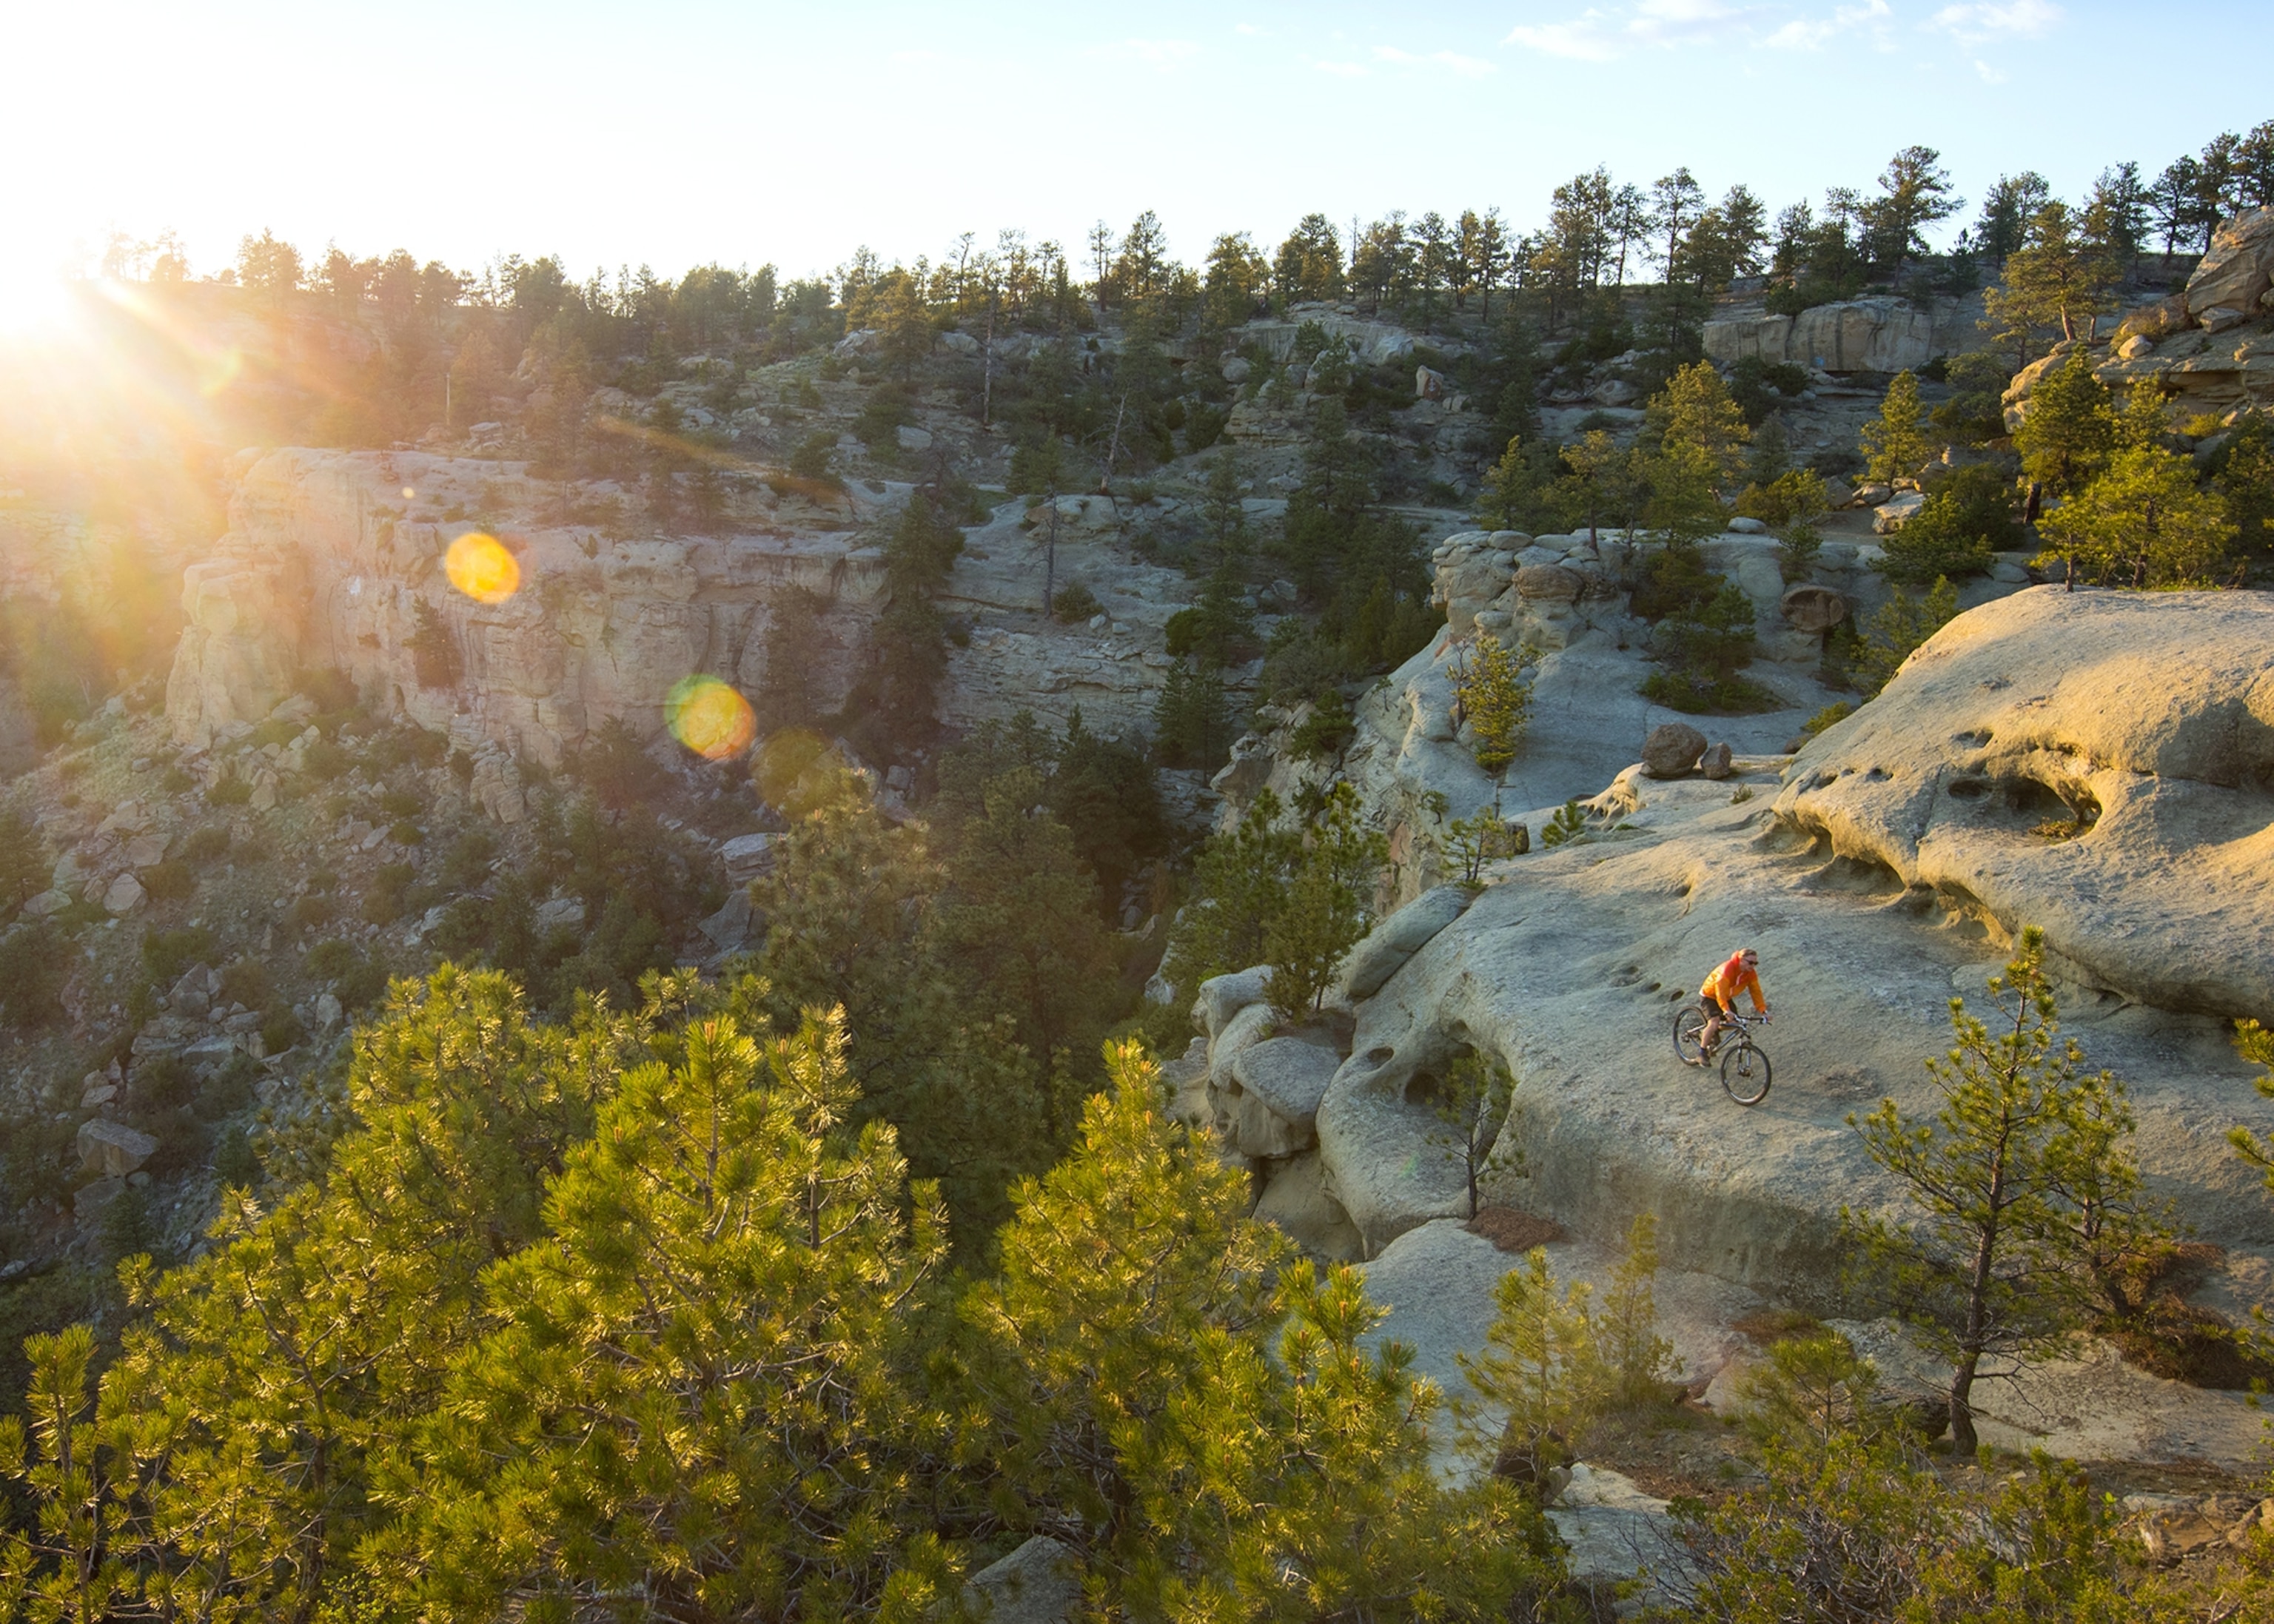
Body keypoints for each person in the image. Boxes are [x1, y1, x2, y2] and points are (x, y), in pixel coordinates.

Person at [1698, 948, 1769, 1057]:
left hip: (1726, 997)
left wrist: (1763, 1010)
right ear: (1741, 960)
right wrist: (1726, 1010)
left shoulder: (1750, 974)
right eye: (1750, 962)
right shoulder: (1727, 969)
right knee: (1714, 1021)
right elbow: (1720, 992)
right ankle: (1701, 1053)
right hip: (1710, 995)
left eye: (1755, 963)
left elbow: (1756, 992)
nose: (1753, 966)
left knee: (1735, 1023)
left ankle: (1714, 1031)